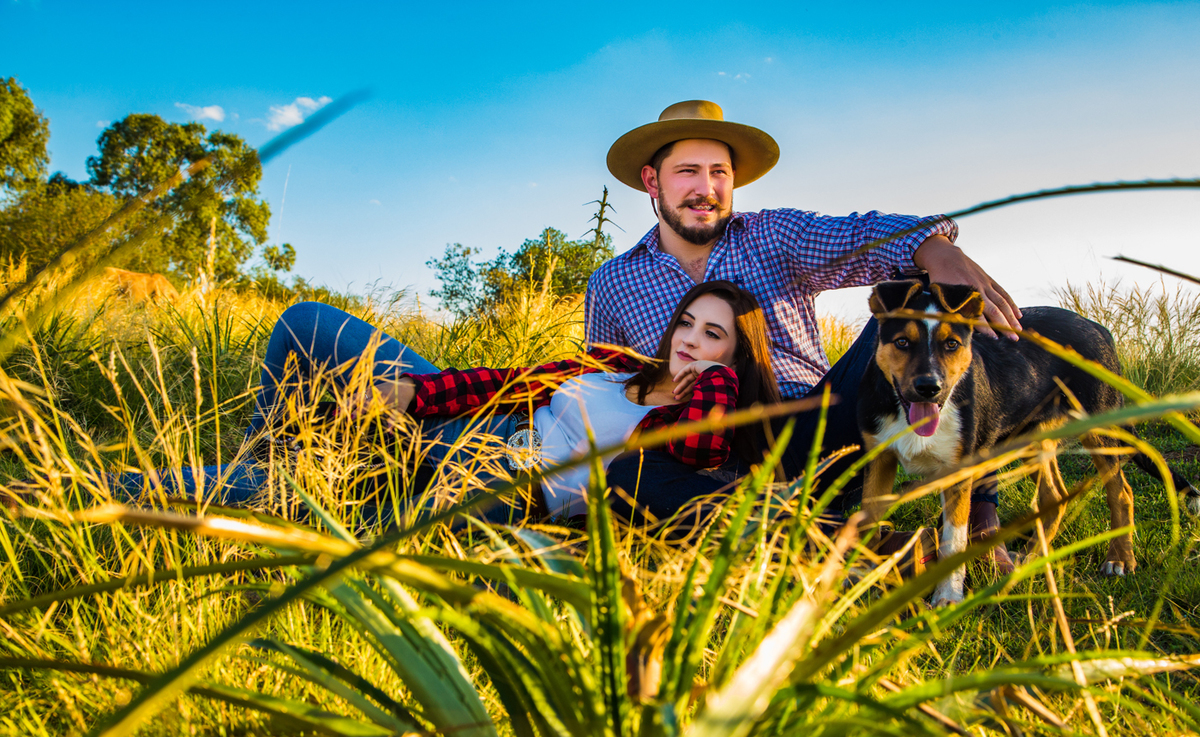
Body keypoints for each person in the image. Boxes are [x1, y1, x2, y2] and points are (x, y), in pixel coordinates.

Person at [590, 101, 1021, 566]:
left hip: (817, 429)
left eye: (720, 172)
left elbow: (861, 236)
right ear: (653, 181)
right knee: (630, 478)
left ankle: (979, 512)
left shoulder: (773, 235)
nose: (706, 188)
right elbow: (602, 384)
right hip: (714, 451)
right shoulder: (614, 282)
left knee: (918, 304)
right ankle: (855, 546)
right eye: (688, 172)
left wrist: (931, 247)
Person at [113, 281, 780, 523]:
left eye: (713, 334)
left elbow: (700, 445)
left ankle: (107, 488)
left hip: (501, 477)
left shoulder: (694, 425)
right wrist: (417, 391)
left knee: (312, 502)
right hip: (472, 421)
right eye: (686, 324)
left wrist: (714, 382)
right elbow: (508, 380)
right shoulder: (618, 365)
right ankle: (268, 450)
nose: (690, 341)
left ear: (737, 356)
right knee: (306, 321)